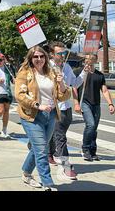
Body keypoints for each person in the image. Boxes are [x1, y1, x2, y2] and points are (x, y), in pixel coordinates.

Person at [15, 46, 71, 191]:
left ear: (46, 58)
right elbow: (20, 95)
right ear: (30, 58)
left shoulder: (51, 73)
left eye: (41, 56)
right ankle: (48, 184)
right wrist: (37, 105)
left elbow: (63, 96)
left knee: (38, 147)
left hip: (51, 115)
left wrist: (61, 82)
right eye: (35, 57)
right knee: (42, 150)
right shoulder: (24, 73)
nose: (39, 59)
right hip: (32, 116)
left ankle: (26, 174)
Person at [47, 42, 88, 180]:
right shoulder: (47, 67)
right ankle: (66, 167)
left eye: (64, 53)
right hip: (54, 108)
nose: (63, 55)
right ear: (52, 54)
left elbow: (75, 83)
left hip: (66, 108)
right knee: (61, 138)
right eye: (60, 53)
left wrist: (85, 71)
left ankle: (48, 151)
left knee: (56, 135)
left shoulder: (67, 67)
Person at [73, 54, 115, 161]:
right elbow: (74, 88)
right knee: (90, 125)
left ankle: (92, 151)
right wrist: (76, 103)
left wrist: (110, 104)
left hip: (96, 104)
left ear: (95, 60)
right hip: (84, 102)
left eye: (91, 58)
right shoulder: (79, 72)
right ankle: (85, 149)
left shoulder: (99, 75)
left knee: (94, 129)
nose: (88, 60)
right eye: (86, 58)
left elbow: (104, 90)